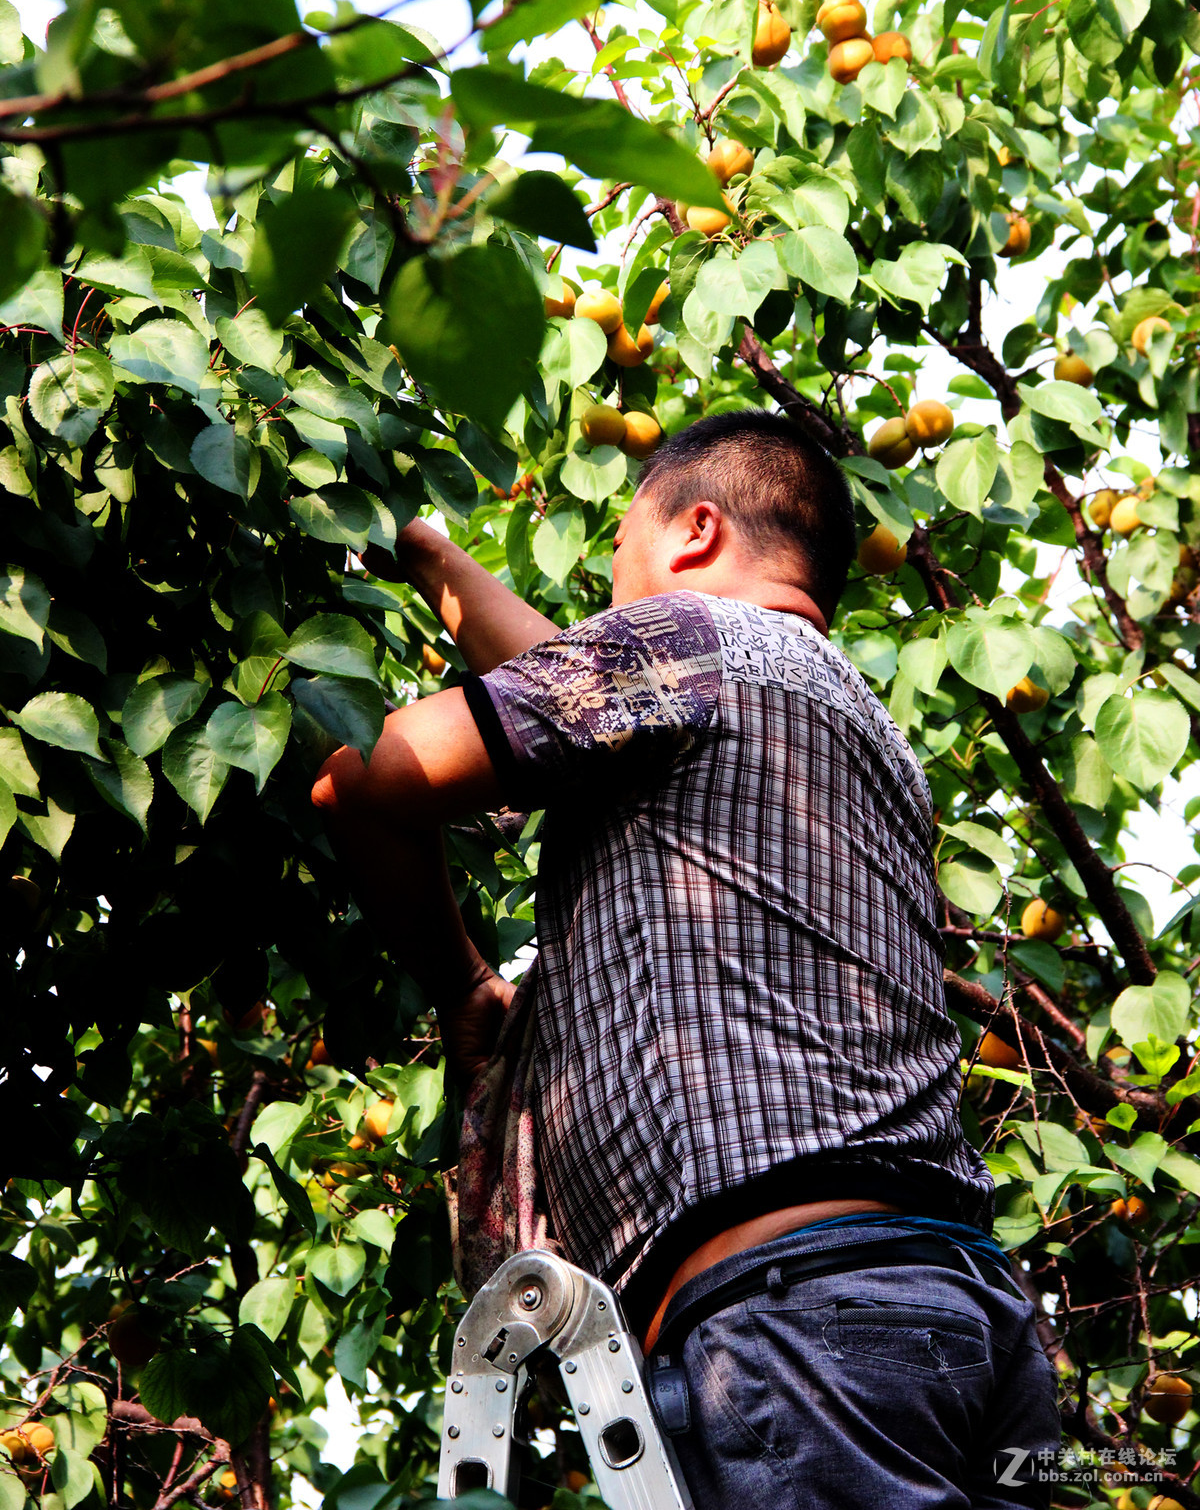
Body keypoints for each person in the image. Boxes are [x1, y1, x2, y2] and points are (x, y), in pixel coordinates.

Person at [312, 408, 1061, 1509]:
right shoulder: (859, 728)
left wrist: (463, 979)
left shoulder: (688, 646)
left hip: (793, 1330)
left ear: (697, 532)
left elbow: (366, 776)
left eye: (618, 563)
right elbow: (570, 689)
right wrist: (431, 557)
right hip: (967, 1316)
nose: (606, 615)